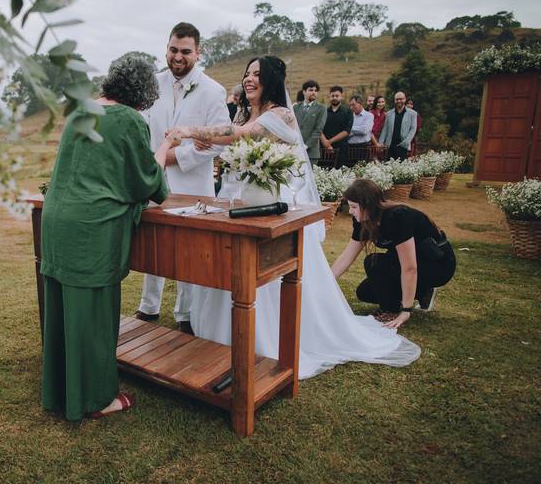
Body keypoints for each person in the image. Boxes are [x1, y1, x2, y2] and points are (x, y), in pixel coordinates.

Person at [171, 56, 420, 379]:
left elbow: (242, 134)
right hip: (238, 200)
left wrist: (190, 130)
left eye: (257, 74)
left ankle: (266, 339)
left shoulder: (281, 114)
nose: (249, 79)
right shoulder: (245, 112)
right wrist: (209, 140)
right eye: (247, 73)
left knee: (266, 276)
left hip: (272, 206)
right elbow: (233, 137)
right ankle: (222, 337)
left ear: (272, 80)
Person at [41, 56, 176, 421]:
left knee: (65, 312)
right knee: (95, 315)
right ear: (143, 93)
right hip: (91, 227)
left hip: (56, 220)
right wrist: (166, 146)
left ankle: (61, 389)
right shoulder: (129, 119)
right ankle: (97, 399)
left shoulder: (81, 111)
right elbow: (148, 181)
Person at [133, 22, 230, 334]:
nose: (178, 56)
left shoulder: (213, 91)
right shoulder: (151, 84)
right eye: (173, 49)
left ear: (198, 53)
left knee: (190, 251)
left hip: (193, 185)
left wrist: (173, 156)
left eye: (185, 51)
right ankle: (149, 306)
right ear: (166, 48)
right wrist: (152, 158)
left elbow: (217, 142)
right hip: (154, 180)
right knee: (153, 244)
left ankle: (185, 314)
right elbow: (141, 127)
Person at [331, 179, 457, 328]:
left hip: (437, 264)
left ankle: (391, 310)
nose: (350, 211)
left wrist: (406, 310)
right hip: (410, 262)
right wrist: (325, 281)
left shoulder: (397, 217)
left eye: (354, 207)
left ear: (369, 205)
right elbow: (346, 257)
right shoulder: (362, 220)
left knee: (375, 263)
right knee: (365, 293)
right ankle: (422, 291)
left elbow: (410, 267)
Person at [294, 79, 327, 165]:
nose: (314, 93)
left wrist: (306, 146)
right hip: (295, 150)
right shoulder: (295, 108)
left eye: (316, 91)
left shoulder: (321, 108)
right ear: (304, 92)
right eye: (311, 90)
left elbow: (318, 130)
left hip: (311, 152)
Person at [320, 85, 353, 169]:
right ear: (329, 97)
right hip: (324, 149)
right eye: (332, 96)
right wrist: (326, 144)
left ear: (341, 97)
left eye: (337, 96)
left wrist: (329, 142)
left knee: (339, 173)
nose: (334, 98)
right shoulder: (324, 111)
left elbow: (347, 131)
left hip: (341, 149)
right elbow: (319, 128)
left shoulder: (348, 112)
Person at [379, 91, 418, 160]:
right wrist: (380, 142)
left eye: (401, 99)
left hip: (403, 146)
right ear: (394, 100)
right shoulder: (389, 114)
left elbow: (413, 129)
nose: (399, 101)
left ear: (405, 99)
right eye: (397, 99)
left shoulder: (413, 114)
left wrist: (406, 142)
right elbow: (385, 129)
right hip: (390, 146)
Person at [345, 94, 374, 164]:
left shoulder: (369, 115)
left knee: (363, 169)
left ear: (360, 104)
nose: (351, 107)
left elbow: (364, 130)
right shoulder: (349, 116)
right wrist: (358, 129)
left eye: (353, 105)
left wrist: (351, 129)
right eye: (350, 105)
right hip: (350, 148)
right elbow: (345, 132)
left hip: (363, 148)